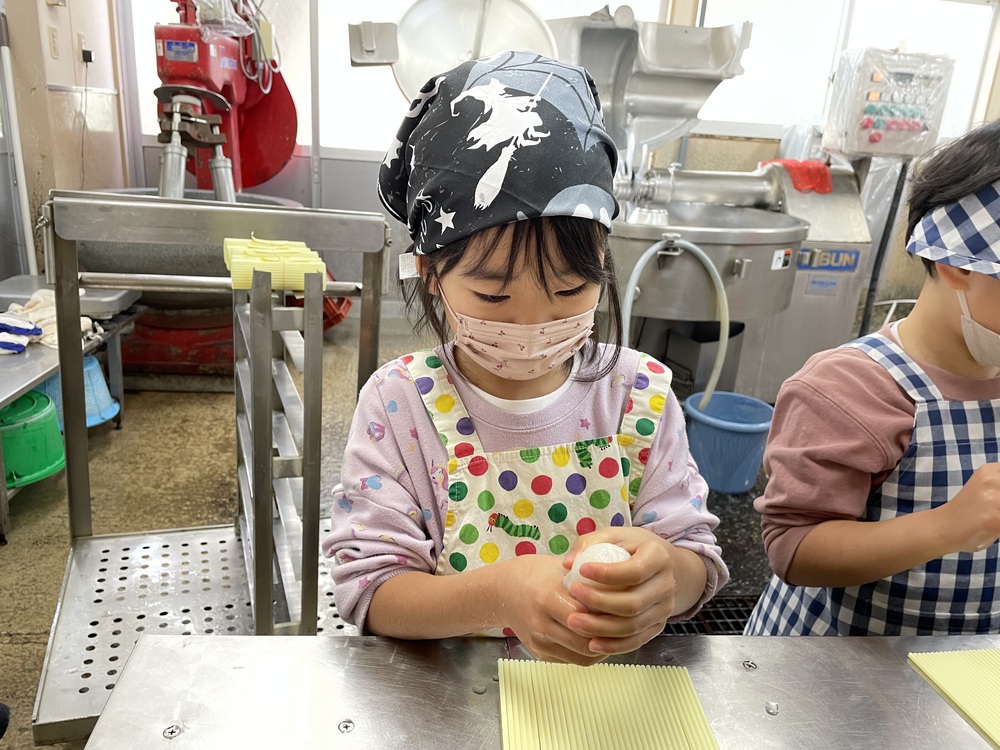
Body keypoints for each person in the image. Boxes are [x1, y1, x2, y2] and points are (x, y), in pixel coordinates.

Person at [322, 51, 728, 664]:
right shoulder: (400, 404)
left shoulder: (635, 395)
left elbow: (695, 556)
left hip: (604, 701)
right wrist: (500, 595)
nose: (533, 326)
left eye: (569, 291)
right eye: (492, 294)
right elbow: (371, 591)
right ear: (430, 273)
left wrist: (665, 578)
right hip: (451, 702)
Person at [745, 119, 1000, 635]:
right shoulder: (852, 389)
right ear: (958, 265)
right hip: (837, 678)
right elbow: (795, 549)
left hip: (963, 671)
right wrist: (947, 526)